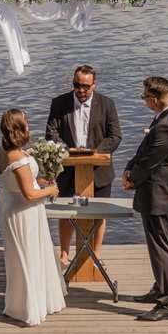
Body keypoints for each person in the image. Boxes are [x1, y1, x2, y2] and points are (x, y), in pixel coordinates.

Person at [122, 75, 168, 323]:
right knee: (158, 245)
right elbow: (144, 150)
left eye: (144, 98)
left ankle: (167, 303)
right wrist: (129, 167)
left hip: (159, 194)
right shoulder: (167, 117)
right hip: (158, 192)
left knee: (161, 247)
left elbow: (150, 161)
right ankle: (159, 289)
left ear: (154, 98)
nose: (144, 102)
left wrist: (131, 179)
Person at [45, 64, 122, 267]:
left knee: (99, 214)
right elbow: (51, 134)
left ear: (94, 85)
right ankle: (64, 255)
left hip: (99, 171)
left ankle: (94, 255)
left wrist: (94, 153)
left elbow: (115, 137)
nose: (80, 90)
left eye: (85, 87)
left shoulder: (106, 104)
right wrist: (67, 151)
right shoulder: (59, 103)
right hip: (68, 169)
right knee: (66, 213)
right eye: (77, 85)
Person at [0, 108, 66, 326]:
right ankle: (28, 307)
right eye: (26, 123)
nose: (28, 125)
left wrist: (40, 181)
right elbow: (29, 194)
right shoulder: (19, 158)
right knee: (28, 256)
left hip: (9, 203)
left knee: (19, 257)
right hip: (23, 211)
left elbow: (15, 182)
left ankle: (20, 303)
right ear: (19, 128)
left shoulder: (2, 151)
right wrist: (51, 191)